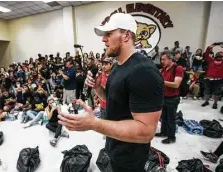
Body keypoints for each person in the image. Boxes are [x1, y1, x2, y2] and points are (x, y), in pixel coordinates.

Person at [58, 13, 164, 172]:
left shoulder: (144, 72)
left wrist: (94, 124)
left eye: (109, 34)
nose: (103, 39)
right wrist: (98, 88)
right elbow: (112, 99)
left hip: (130, 157)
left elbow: (146, 131)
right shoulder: (118, 66)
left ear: (126, 35)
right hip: (115, 146)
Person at [156, 51, 183, 144]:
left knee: (171, 118)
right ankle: (164, 132)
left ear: (170, 59)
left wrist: (161, 81)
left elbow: (176, 84)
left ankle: (172, 137)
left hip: (172, 98)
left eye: (164, 59)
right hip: (164, 97)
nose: (162, 61)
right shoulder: (164, 68)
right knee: (163, 117)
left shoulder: (178, 68)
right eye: (161, 59)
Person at [201, 43, 223, 109]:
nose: (220, 55)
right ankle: (206, 101)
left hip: (219, 80)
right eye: (219, 54)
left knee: (217, 92)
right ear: (216, 55)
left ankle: (215, 103)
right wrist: (211, 47)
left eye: (221, 55)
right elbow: (206, 54)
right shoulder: (211, 60)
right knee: (207, 91)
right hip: (208, 79)